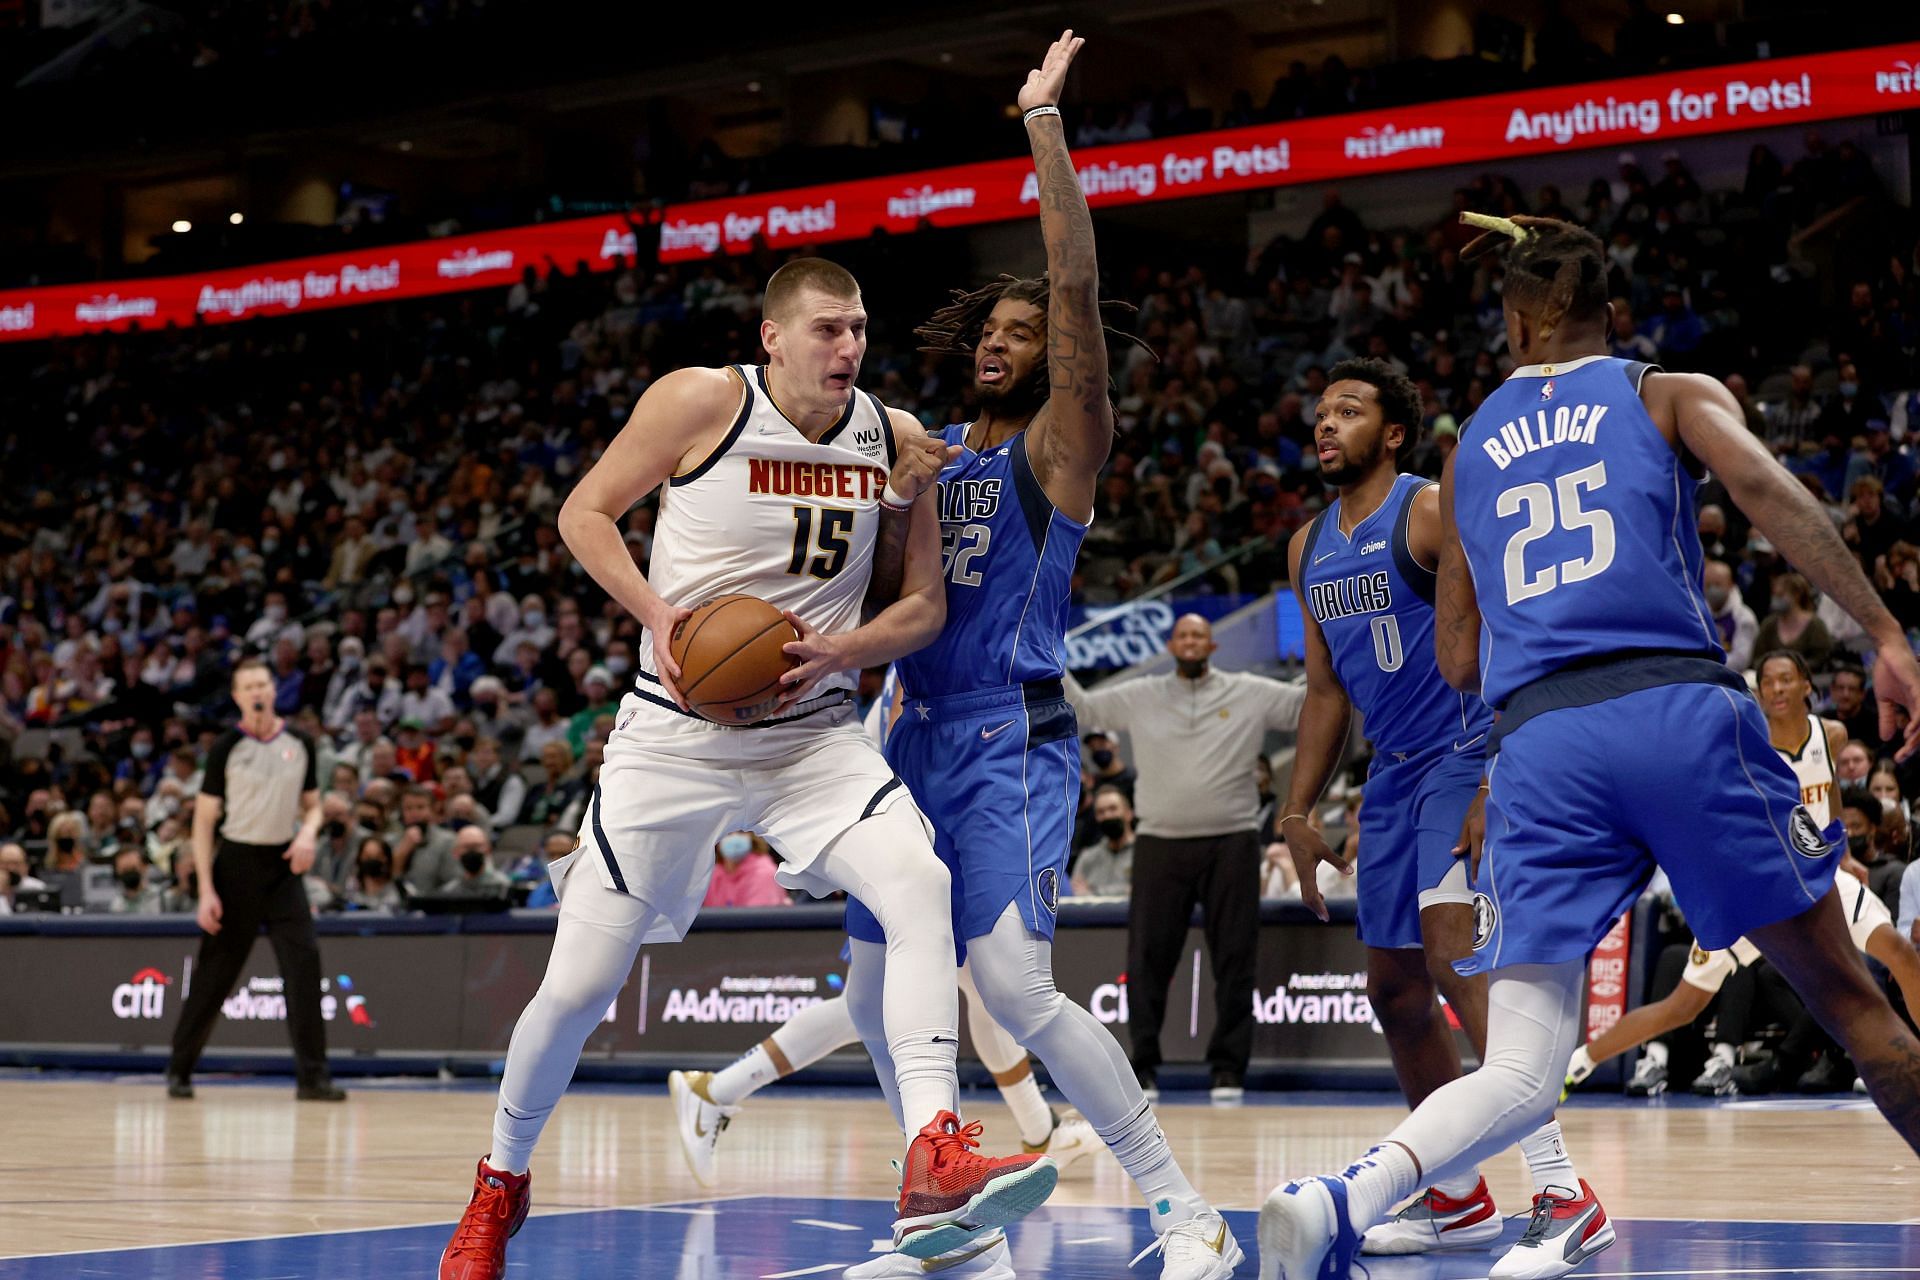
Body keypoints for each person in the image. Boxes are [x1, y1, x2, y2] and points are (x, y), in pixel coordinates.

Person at [1258, 211, 1920, 1280]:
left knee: (1520, 1061)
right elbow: (1765, 492)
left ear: (1537, 308)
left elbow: (1461, 656)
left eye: (1508, 308)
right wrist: (1885, 633)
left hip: (1542, 748)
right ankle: (1496, 1200)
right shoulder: (1667, 391)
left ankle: (1348, 1193)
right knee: (1850, 1004)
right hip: (1671, 711)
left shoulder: (1468, 449)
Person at [439, 254, 1055, 1280]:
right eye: (826, 329)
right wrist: (661, 617)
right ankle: (499, 1182)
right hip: (673, 732)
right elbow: (583, 514)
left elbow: (924, 608)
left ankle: (934, 1146)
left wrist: (844, 649)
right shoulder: (701, 399)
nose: (847, 347)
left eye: (859, 327)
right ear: (773, 336)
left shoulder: (895, 436)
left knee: (921, 885)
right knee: (579, 983)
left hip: (811, 731)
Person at [1283, 357, 1600, 1273]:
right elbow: (1324, 690)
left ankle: (1559, 1189)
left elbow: (1510, 623)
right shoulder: (1305, 547)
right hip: (1391, 773)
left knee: (1455, 951)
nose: (1326, 422)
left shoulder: (1425, 510)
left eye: (1349, 409)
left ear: (1391, 433)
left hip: (1467, 751)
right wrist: (1298, 808)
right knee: (1393, 991)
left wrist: (1505, 764)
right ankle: (1456, 1199)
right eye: (1320, 409)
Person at [1565, 651, 1920, 1098]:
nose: (1776, 689)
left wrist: (1843, 853)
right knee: (1681, 1006)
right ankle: (1583, 1061)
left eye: (1786, 679)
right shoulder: (1744, 741)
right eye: (1768, 682)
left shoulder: (1831, 735)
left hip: (1816, 875)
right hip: (1753, 887)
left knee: (1898, 952)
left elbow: (1826, 792)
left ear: (1807, 686)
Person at [1065, 613, 1303, 1102]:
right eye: (1184, 635)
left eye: (1200, 634)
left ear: (1212, 644)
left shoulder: (1250, 691)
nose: (1192, 641)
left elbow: (1309, 705)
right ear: (1172, 644)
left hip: (1232, 841)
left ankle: (1229, 1071)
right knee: (1147, 960)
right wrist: (1048, 648)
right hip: (1159, 842)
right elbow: (1085, 708)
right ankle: (1144, 1067)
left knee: (1235, 959)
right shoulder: (1142, 695)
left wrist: (1328, 645)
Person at [165, 659, 346, 1102]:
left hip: (283, 866)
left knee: (304, 967)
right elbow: (204, 822)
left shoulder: (300, 742)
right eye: (248, 686)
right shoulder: (227, 747)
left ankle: (313, 1078)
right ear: (237, 696)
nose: (257, 692)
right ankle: (179, 1069)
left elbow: (314, 805)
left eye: (262, 683)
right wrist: (206, 889)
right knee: (214, 974)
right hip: (236, 866)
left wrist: (307, 833)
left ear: (273, 688)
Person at [1071, 786, 1136, 897]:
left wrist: (1092, 893)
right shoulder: (1087, 858)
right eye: (1101, 812)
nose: (1107, 815)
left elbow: (1142, 893)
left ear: (1129, 813)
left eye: (1113, 809)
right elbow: (1076, 896)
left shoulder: (1145, 854)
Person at [700, 831, 791, 908]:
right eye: (728, 833)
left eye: (740, 832)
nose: (734, 837)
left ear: (752, 836)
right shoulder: (712, 875)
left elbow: (756, 922)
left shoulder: (764, 873)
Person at [1704, 559, 1757, 672]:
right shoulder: (1698, 614)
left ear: (1731, 585)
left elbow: (1740, 661)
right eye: (1708, 585)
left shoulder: (1744, 617)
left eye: (1718, 584)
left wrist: (1707, 666)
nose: (1712, 590)